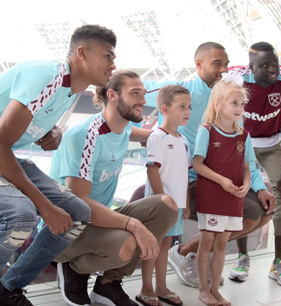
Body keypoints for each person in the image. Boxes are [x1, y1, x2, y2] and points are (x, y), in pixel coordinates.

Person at [135, 42, 275, 288]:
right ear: (198, 64)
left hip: (226, 179)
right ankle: (186, 254)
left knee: (265, 212)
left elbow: (240, 152)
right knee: (251, 214)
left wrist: (257, 185)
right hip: (192, 182)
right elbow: (135, 96)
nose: (224, 69)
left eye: (226, 63)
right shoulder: (182, 92)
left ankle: (188, 253)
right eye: (217, 63)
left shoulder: (230, 99)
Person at [0, 23, 119, 305]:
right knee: (23, 215)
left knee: (77, 211)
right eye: (108, 56)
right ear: (82, 53)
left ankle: (8, 289)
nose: (113, 64)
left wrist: (49, 131)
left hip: (7, 155)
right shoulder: (46, 75)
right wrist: (46, 207)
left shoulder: (70, 87)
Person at [49, 70, 178, 306]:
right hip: (64, 229)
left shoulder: (124, 128)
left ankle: (107, 284)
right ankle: (73, 267)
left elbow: (153, 137)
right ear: (113, 95)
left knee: (167, 205)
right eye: (135, 93)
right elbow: (79, 202)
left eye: (143, 93)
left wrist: (181, 140)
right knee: (127, 241)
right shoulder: (85, 135)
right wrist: (133, 224)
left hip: (95, 224)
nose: (143, 100)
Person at [227, 41, 281, 288]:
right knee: (241, 194)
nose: (273, 70)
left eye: (275, 64)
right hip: (241, 143)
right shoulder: (236, 78)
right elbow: (218, 114)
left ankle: (278, 263)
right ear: (251, 66)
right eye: (265, 65)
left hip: (272, 145)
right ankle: (242, 256)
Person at [194, 73, 255, 306]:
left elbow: (247, 167)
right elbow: (198, 164)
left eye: (242, 104)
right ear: (219, 104)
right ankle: (202, 289)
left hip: (233, 197)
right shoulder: (207, 131)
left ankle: (215, 289)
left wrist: (247, 185)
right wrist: (221, 181)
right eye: (234, 103)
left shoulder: (243, 135)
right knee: (207, 242)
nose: (239, 108)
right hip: (212, 196)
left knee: (222, 244)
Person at [136, 85, 192, 306]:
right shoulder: (158, 137)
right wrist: (162, 200)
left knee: (166, 243)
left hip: (176, 206)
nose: (187, 111)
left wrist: (185, 202)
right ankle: (146, 288)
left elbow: (184, 175)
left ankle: (161, 286)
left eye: (189, 106)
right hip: (161, 205)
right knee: (153, 244)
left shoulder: (184, 140)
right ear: (165, 109)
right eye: (181, 107)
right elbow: (152, 170)